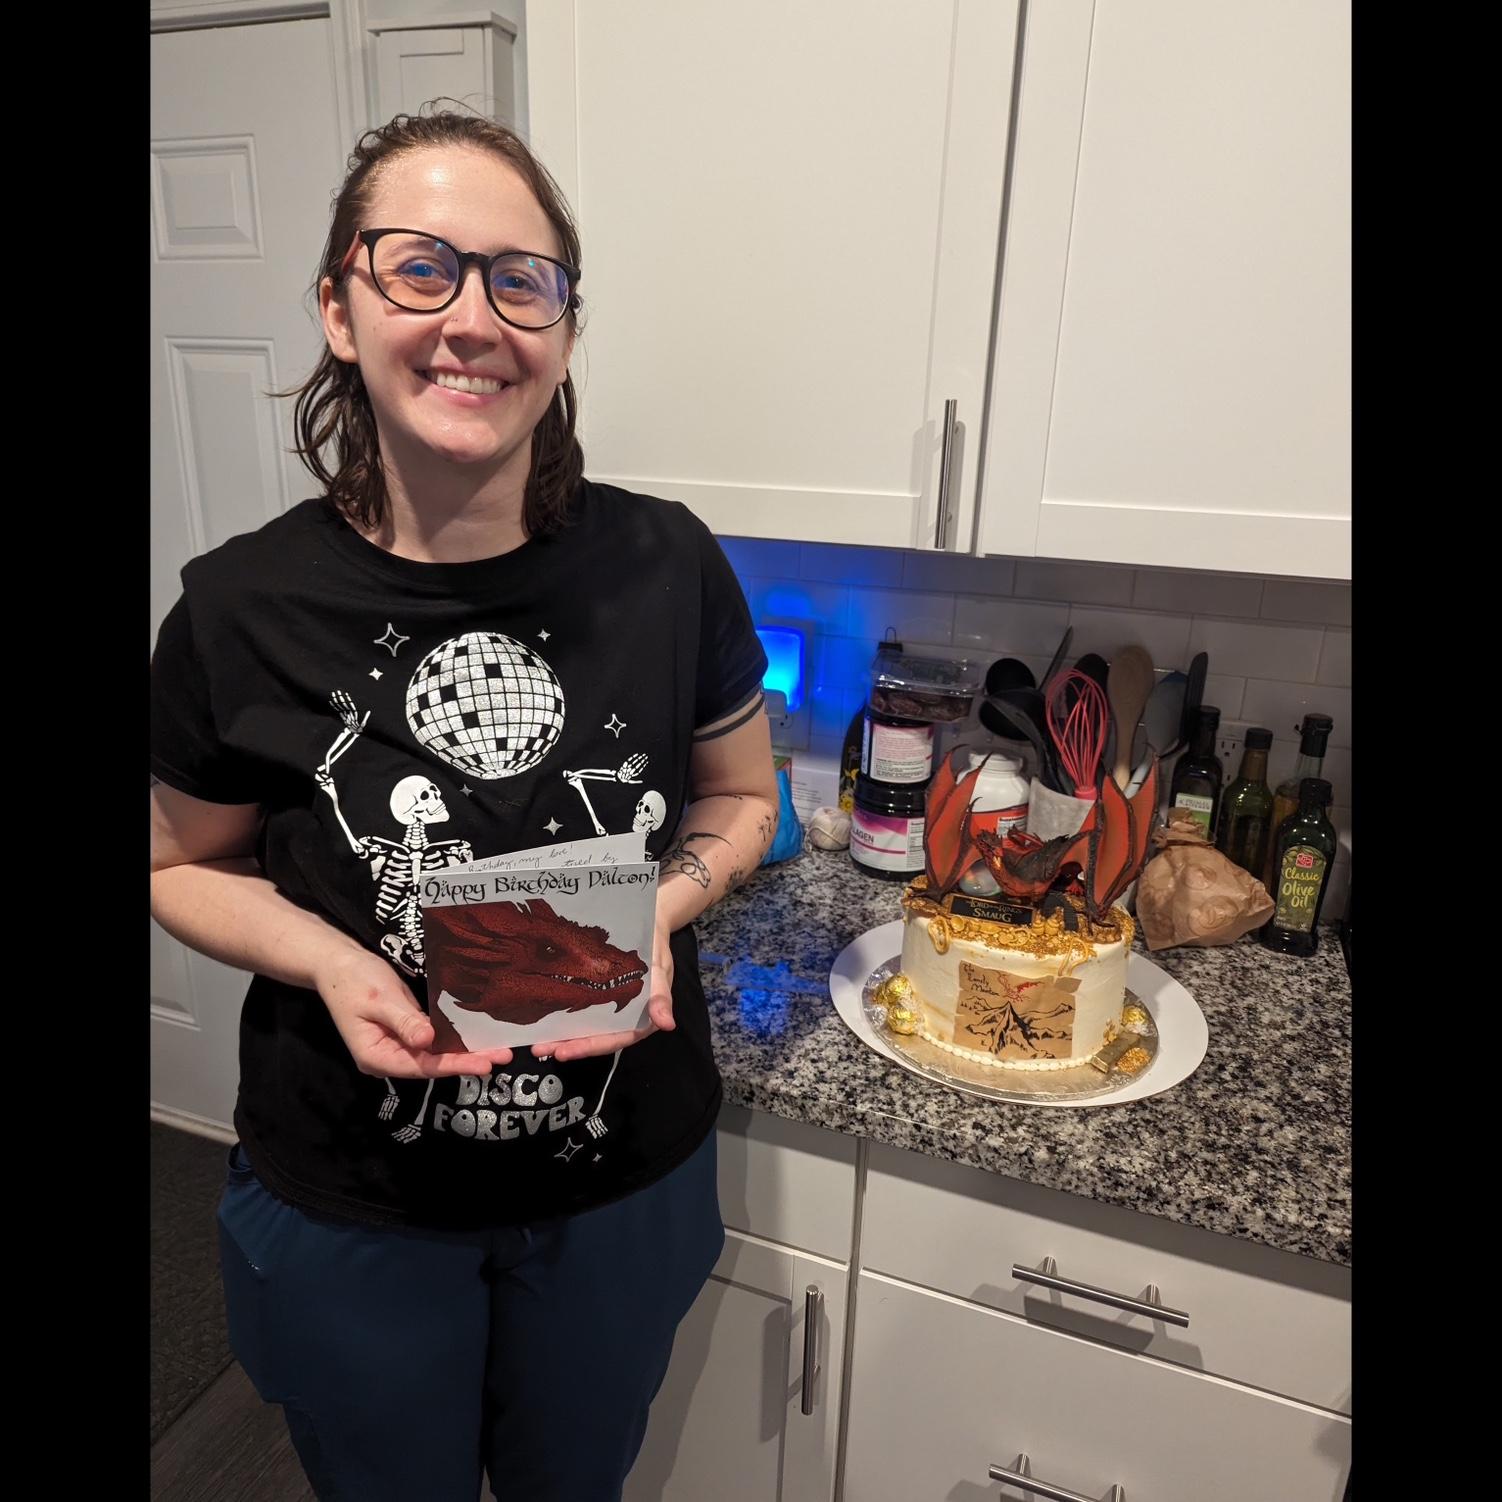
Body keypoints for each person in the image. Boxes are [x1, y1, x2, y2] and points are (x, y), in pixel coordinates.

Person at [149, 103, 778, 1502]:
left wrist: (660, 910)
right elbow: (172, 861)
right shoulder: (236, 608)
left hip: (618, 1182)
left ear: (564, 325)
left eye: (520, 279)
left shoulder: (667, 565)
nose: (473, 320)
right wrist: (331, 959)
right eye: (420, 268)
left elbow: (743, 796)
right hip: (354, 1199)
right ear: (339, 307)